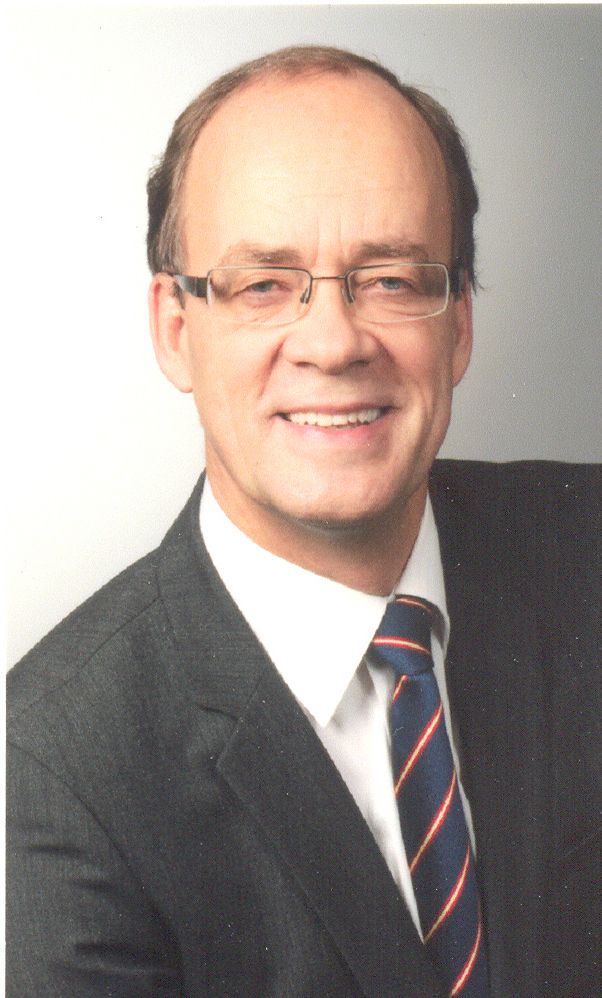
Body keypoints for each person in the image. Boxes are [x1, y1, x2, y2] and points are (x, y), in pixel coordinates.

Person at [6, 45, 599, 998]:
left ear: (458, 323)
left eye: (393, 279)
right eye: (262, 285)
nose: (332, 343)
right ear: (175, 329)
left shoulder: (585, 551)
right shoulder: (55, 762)